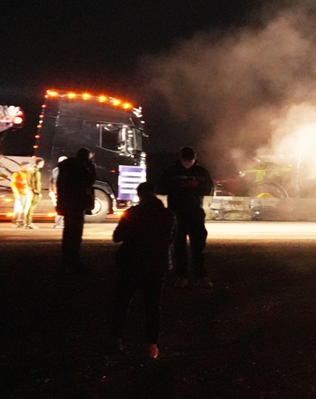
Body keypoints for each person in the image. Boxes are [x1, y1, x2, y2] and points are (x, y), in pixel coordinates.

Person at [109, 182, 173, 359]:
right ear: (155, 194)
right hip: (157, 265)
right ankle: (152, 345)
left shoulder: (133, 213)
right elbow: (171, 238)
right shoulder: (167, 215)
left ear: (139, 195)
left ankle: (116, 338)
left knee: (122, 302)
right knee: (153, 306)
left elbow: (117, 237)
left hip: (132, 262)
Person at [158, 146, 214, 287]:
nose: (188, 163)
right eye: (186, 160)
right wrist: (179, 186)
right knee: (179, 247)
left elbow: (209, 189)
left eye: (190, 160)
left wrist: (196, 186)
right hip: (177, 214)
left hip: (195, 213)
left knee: (198, 248)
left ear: (194, 159)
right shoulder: (172, 171)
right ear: (181, 158)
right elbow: (161, 188)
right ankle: (182, 276)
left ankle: (201, 276)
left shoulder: (201, 172)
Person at [54, 148, 96, 271]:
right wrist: (91, 168)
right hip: (77, 203)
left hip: (66, 203)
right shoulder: (80, 168)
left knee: (68, 232)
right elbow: (89, 181)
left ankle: (66, 259)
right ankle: (73, 260)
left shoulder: (65, 168)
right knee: (75, 234)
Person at [11, 163, 32, 227]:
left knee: (24, 208)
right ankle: (15, 222)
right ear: (23, 166)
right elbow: (13, 184)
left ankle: (20, 221)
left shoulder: (28, 174)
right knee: (18, 208)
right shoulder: (17, 174)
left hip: (26, 194)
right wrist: (17, 193)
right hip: (20, 194)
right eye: (27, 166)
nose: (29, 168)